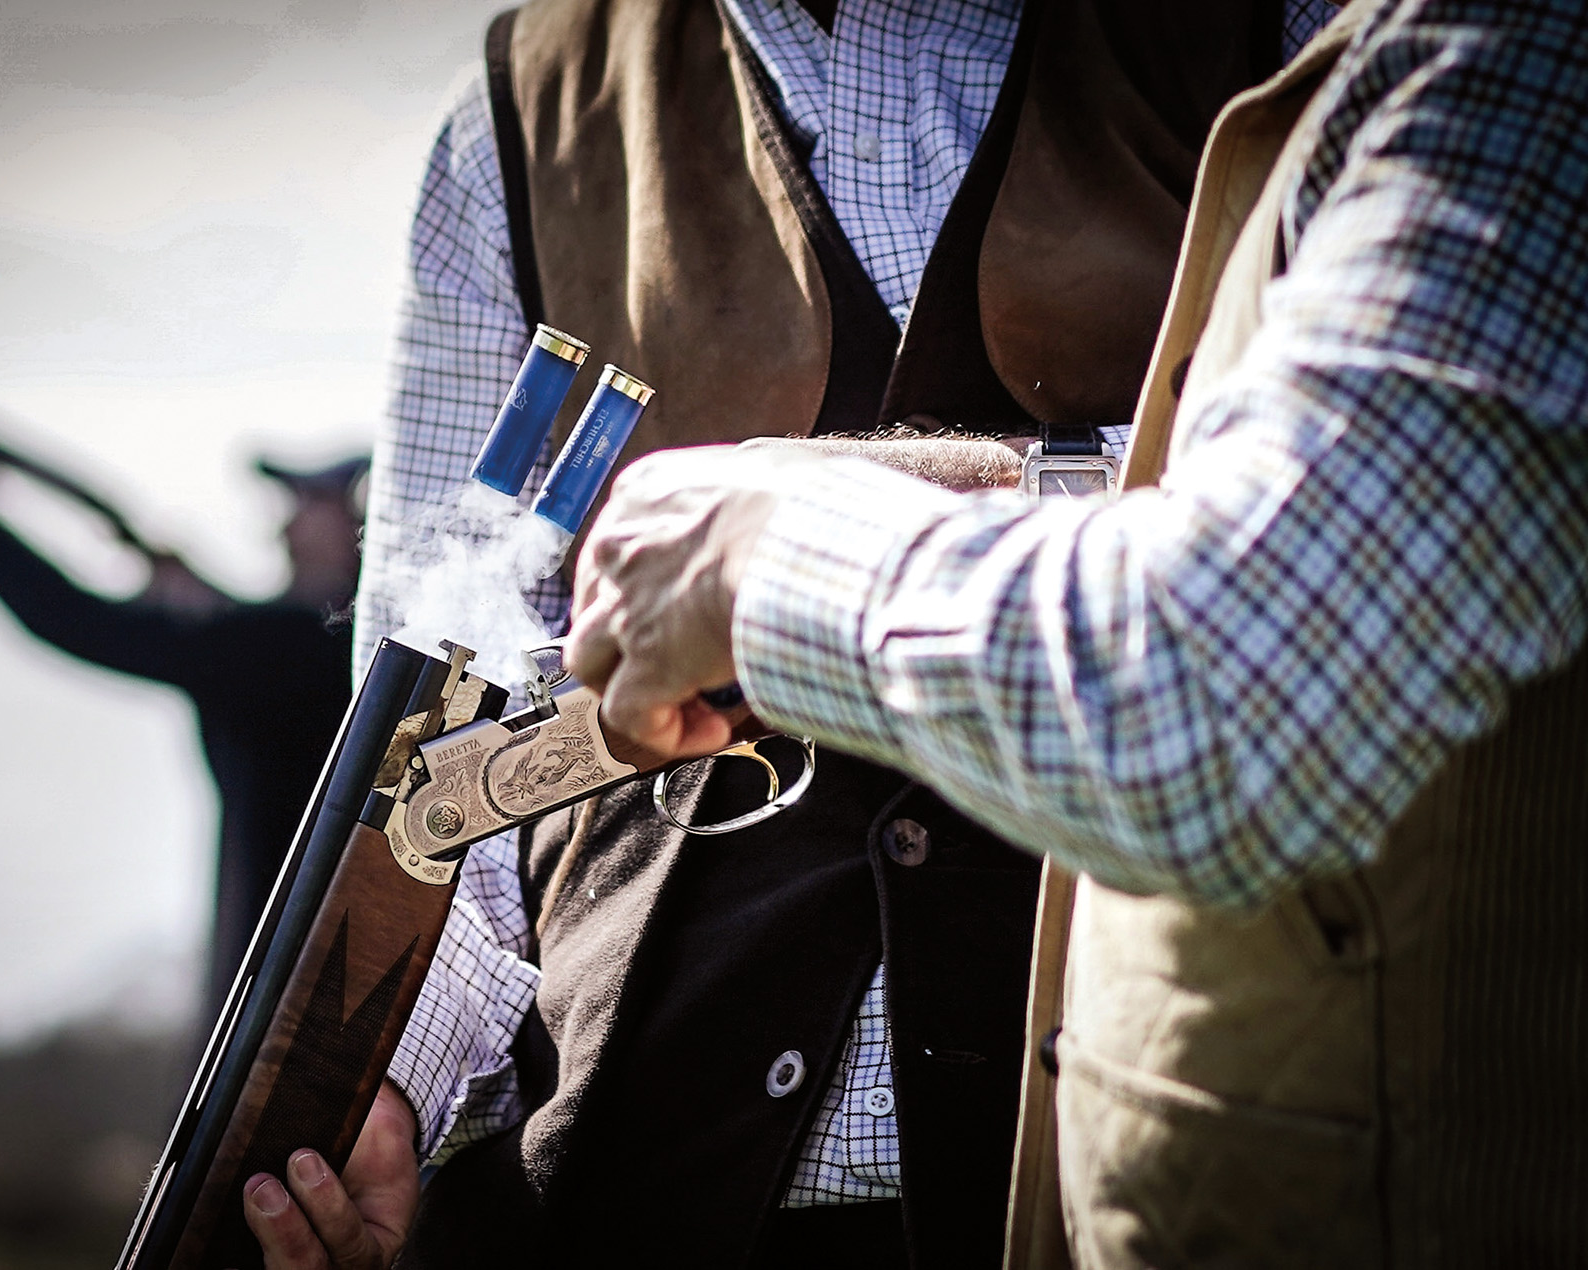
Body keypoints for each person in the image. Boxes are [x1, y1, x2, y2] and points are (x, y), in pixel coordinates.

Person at [236, 2, 1341, 1268]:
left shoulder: (1317, 27)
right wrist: (378, 1105)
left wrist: (870, 519)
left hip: (1167, 1155)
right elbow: (439, 769)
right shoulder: (519, 114)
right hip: (626, 1192)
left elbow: (1372, 531)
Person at [559, 0, 1588, 1265]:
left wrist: (765, 556)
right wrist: (407, 1097)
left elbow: (1233, 692)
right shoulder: (526, 107)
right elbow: (451, 708)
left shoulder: (1519, 55)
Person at [0, 377, 365, 1013]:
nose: (284, 524)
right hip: (311, 976)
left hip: (281, 993)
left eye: (308, 503)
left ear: (361, 523)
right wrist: (194, 595)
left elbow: (62, 616)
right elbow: (258, 641)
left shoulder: (278, 649)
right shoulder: (324, 650)